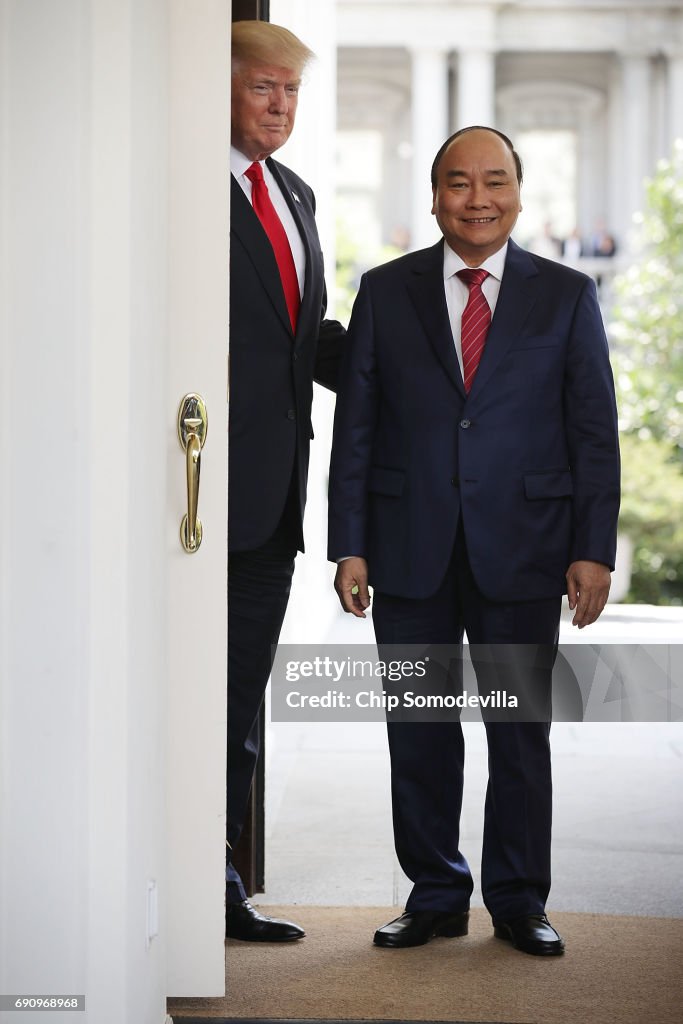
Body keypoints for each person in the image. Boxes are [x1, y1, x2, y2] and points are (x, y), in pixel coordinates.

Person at [328, 127, 620, 956]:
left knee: (517, 732)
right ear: (433, 197)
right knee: (418, 727)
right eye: (459, 183)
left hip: (525, 547)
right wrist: (348, 544)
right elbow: (357, 428)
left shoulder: (565, 295)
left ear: (520, 195)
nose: (477, 198)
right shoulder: (384, 292)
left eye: (494, 181)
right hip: (406, 542)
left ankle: (519, 898)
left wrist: (591, 547)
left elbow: (591, 433)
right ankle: (433, 892)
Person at [228, 20, 345, 942]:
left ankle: (217, 883)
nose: (280, 106)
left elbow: (304, 339)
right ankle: (191, 886)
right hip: (190, 494)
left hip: (274, 500)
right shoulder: (183, 187)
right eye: (263, 86)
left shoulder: (293, 193)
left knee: (239, 695)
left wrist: (424, 364)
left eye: (291, 92)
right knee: (196, 697)